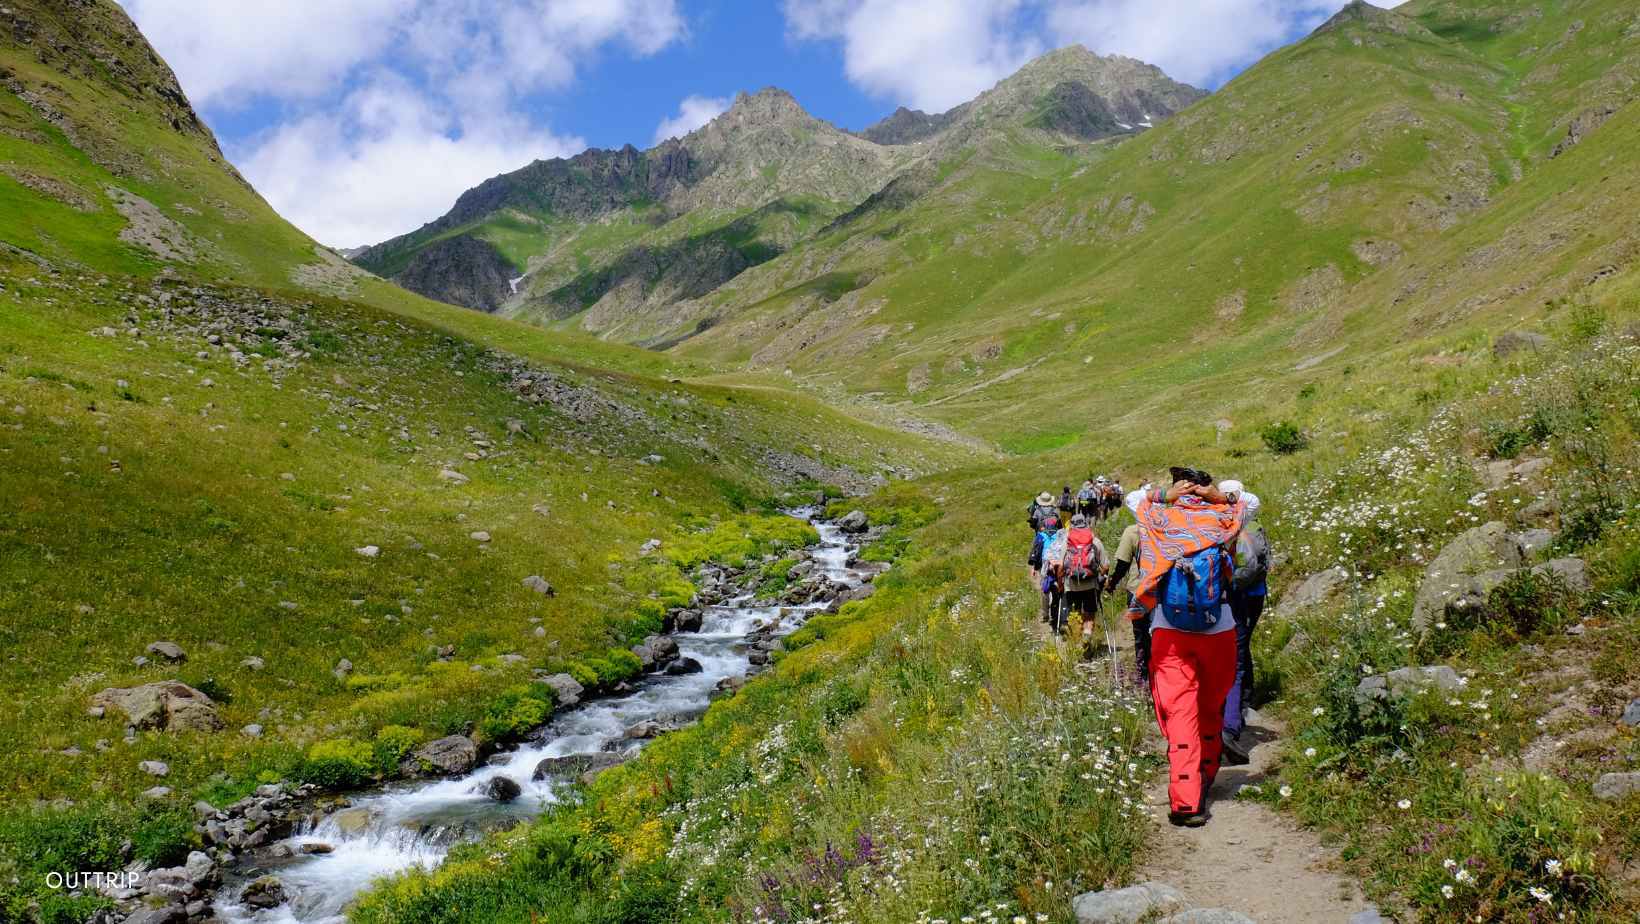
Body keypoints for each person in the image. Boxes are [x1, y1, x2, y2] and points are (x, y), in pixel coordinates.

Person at [1128, 468, 1248, 827]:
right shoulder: (1223, 517)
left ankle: (1186, 800)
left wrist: (1165, 494)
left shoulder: (1159, 516)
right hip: (1220, 628)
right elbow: (1247, 503)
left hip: (1170, 630)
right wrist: (1217, 497)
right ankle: (1207, 773)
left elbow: (1135, 500)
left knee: (1181, 715)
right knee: (1211, 708)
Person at [1217, 479, 1270, 766]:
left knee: (1232, 658)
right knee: (1241, 648)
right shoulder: (1252, 523)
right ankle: (1244, 702)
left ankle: (1231, 720)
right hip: (1254, 594)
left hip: (1230, 597)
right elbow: (1264, 563)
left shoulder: (1218, 525)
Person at [1045, 512, 1107, 658]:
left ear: (1071, 526)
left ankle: (1079, 645)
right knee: (1089, 614)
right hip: (1091, 585)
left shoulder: (1067, 542)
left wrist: (1060, 585)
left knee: (1077, 614)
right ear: (1086, 524)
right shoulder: (1094, 541)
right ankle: (1087, 635)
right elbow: (1105, 566)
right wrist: (1101, 579)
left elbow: (1060, 568)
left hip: (1071, 585)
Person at [1105, 517, 1151, 687]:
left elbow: (1123, 564)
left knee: (1141, 634)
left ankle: (1143, 674)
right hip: (1164, 590)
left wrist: (1112, 583)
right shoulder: (1169, 526)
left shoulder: (1133, 531)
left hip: (1138, 588)